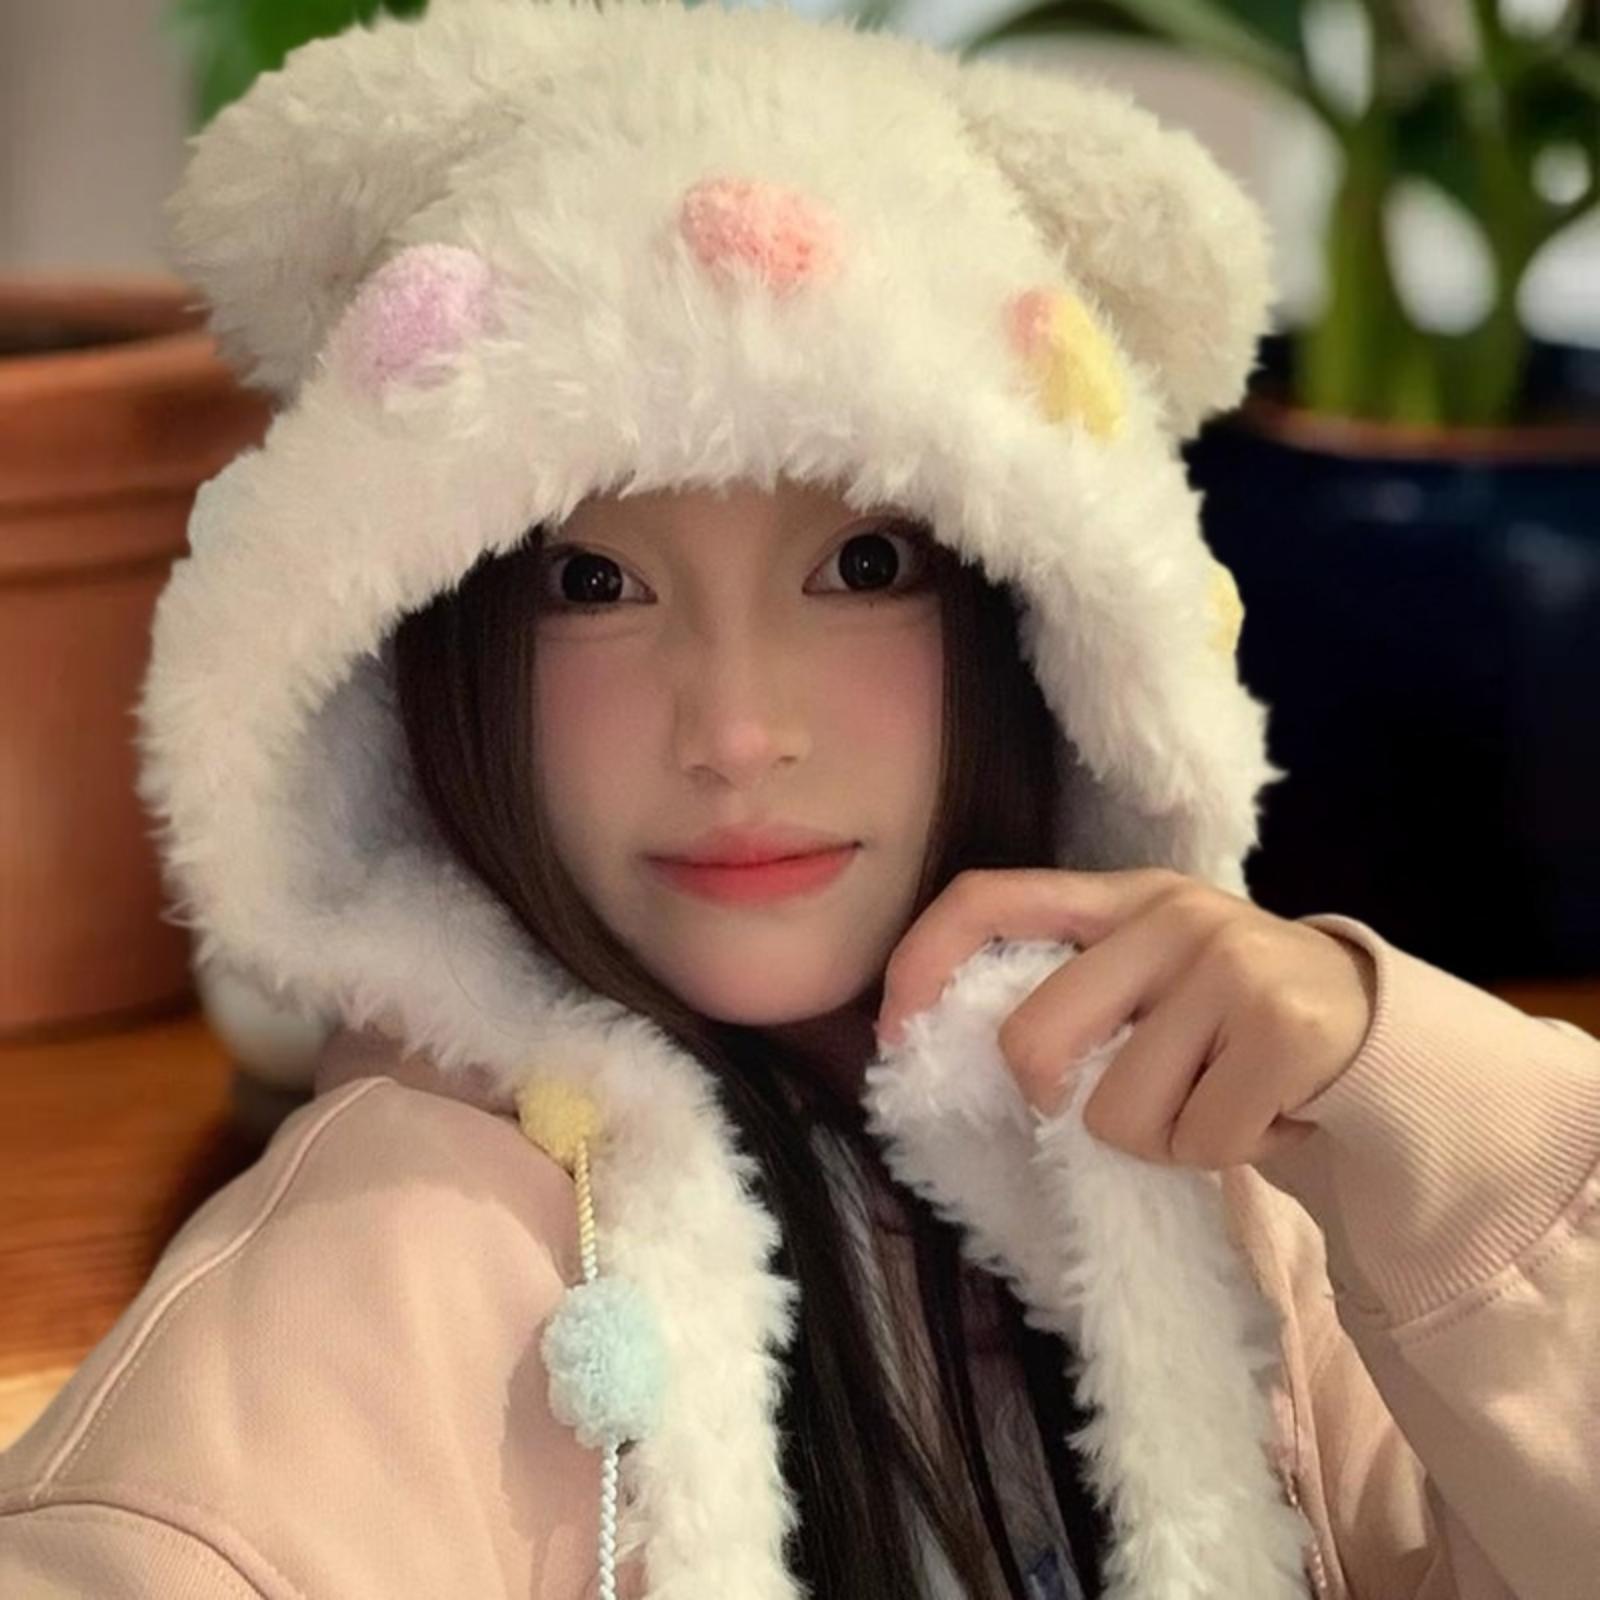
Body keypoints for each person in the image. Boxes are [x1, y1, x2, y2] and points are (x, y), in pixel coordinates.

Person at [2, 1, 1596, 1596]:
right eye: (592, 581)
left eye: (866, 562)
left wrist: (1427, 1113)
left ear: (1044, 618)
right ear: (415, 640)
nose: (739, 731)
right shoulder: (370, 1292)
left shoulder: (1243, 1188)